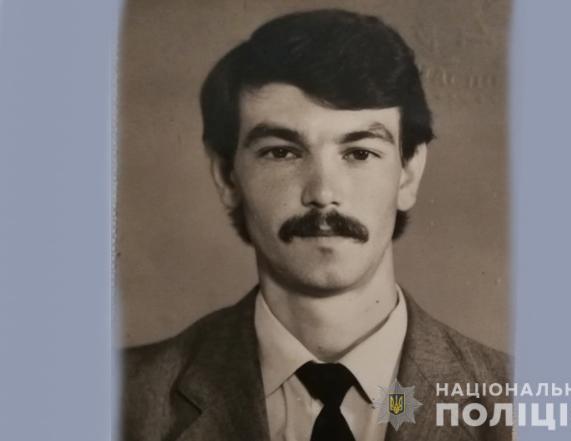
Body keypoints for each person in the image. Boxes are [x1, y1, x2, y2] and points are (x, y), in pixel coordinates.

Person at [121, 9, 511, 441]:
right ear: (227, 177)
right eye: (282, 152)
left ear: (408, 173)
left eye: (359, 153)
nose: (323, 193)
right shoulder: (119, 402)